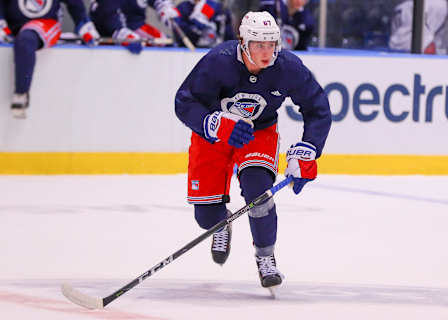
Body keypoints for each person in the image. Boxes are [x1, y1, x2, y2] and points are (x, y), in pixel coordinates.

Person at [175, 11, 331, 290]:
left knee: (258, 192)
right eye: (259, 45)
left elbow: (318, 108)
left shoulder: (288, 67)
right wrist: (212, 123)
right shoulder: (218, 61)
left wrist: (309, 149)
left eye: (271, 44)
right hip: (215, 133)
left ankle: (266, 258)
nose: (267, 52)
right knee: (206, 217)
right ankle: (221, 223)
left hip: (257, 133)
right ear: (243, 43)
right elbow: (184, 101)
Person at [0, 0, 99, 119]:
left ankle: (21, 94)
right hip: (11, 26)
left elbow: (75, 4)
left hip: (45, 23)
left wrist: (83, 24)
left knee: (26, 40)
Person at [89, 0, 179, 54]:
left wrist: (165, 7)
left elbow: (159, 1)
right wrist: (119, 31)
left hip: (135, 27)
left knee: (169, 44)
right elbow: (106, 12)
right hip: (105, 32)